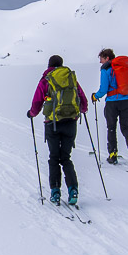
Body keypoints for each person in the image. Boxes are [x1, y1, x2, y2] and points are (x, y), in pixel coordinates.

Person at [27, 55, 89, 205]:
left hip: (52, 123)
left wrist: (32, 114)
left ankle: (55, 191)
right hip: (71, 121)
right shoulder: (70, 78)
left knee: (54, 157)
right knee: (66, 157)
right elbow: (81, 97)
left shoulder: (46, 79)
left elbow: (37, 101)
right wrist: (83, 109)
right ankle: (73, 189)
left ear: (49, 65)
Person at [92, 48, 128, 166]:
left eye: (101, 59)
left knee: (111, 128)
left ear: (107, 58)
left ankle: (112, 154)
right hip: (126, 101)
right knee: (125, 127)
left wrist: (95, 96)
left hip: (112, 103)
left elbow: (104, 89)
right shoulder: (124, 67)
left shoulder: (106, 69)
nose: (100, 62)